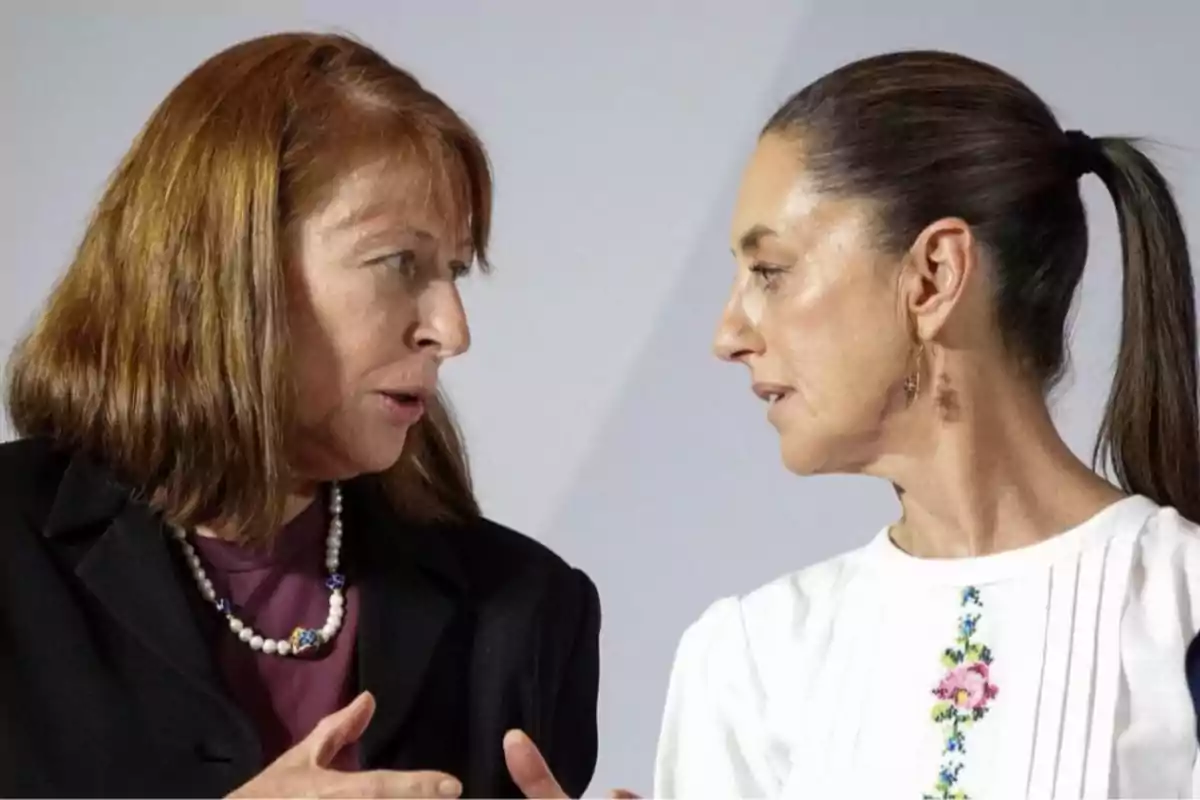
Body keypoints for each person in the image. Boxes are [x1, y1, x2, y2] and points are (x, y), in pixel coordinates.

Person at [506, 49, 1200, 799]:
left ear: (932, 275)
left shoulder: (1180, 605)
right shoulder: (754, 657)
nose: (728, 332)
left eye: (769, 270)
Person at [0, 32, 599, 799]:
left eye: (453, 270)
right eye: (399, 263)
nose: (452, 331)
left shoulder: (527, 607)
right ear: (229, 267)